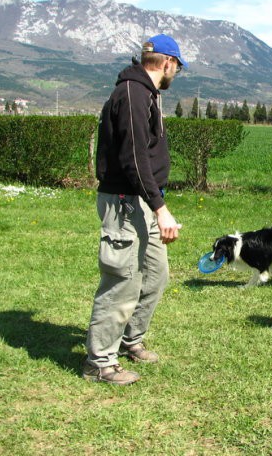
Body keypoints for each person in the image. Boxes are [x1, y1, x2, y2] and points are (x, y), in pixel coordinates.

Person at [82, 34, 187, 385]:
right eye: (177, 67)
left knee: (156, 276)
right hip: (126, 202)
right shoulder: (132, 93)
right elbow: (133, 157)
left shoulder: (147, 93)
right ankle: (99, 363)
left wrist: (155, 202)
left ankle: (131, 339)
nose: (176, 73)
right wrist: (160, 207)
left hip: (144, 199)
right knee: (123, 280)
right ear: (168, 63)